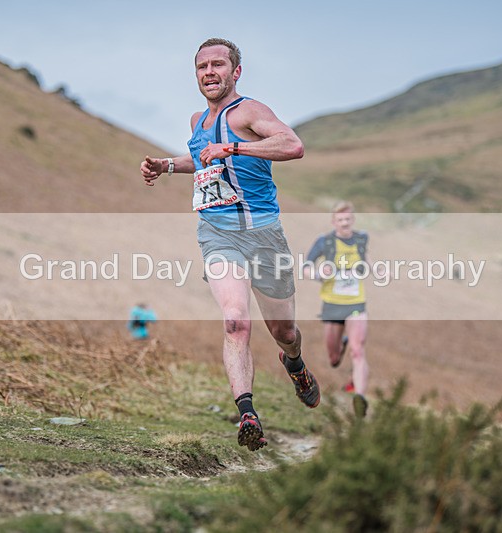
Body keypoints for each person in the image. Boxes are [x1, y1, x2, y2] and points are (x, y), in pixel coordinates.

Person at [139, 38, 319, 451]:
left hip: (264, 234)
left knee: (285, 331)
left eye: (218, 65)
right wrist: (168, 165)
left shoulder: (251, 112)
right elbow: (203, 158)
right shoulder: (196, 121)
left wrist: (235, 146)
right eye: (201, 66)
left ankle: (294, 364)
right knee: (235, 321)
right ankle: (247, 414)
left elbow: (293, 145)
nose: (209, 72)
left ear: (236, 72)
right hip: (217, 234)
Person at [303, 201, 370, 417]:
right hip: (332, 304)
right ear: (334, 222)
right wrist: (317, 274)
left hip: (356, 303)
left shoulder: (361, 239)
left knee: (358, 351)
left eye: (348, 220)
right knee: (333, 358)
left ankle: (360, 397)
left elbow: (365, 260)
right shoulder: (325, 242)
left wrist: (377, 270)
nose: (345, 224)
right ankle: (341, 343)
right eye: (340, 220)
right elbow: (306, 266)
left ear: (353, 220)